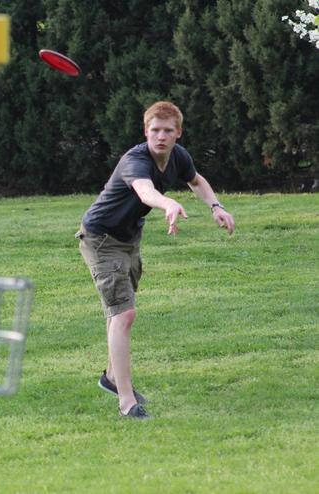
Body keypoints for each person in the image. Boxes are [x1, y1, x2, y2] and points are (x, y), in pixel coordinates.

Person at [76, 101, 235, 419]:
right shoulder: (135, 160)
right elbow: (144, 191)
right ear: (145, 131)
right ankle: (126, 403)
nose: (160, 136)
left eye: (167, 131)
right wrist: (167, 204)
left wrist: (216, 206)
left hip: (128, 238)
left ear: (178, 133)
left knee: (118, 311)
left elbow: (196, 180)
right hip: (101, 238)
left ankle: (110, 377)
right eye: (154, 130)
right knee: (124, 315)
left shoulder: (178, 156)